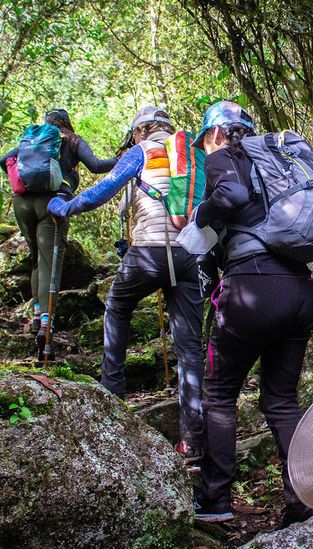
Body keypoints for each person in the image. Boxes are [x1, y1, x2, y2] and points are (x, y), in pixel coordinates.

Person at [189, 101, 313, 528]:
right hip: (299, 290)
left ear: (214, 134)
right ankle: (305, 498)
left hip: (253, 286)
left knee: (219, 394)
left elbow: (231, 197)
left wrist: (201, 213)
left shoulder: (223, 157)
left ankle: (214, 500)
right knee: (282, 400)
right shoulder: (278, 165)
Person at [46, 106, 206, 464]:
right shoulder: (192, 154)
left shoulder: (142, 151)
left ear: (141, 131)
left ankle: (111, 397)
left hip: (149, 253)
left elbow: (104, 189)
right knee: (190, 346)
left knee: (117, 308)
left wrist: (66, 206)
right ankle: (193, 440)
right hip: (188, 255)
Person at [0, 109, 117, 349]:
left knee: (35, 259)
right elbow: (95, 165)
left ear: (47, 124)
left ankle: (36, 316)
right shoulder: (72, 140)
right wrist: (122, 159)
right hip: (53, 202)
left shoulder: (34, 140)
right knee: (49, 262)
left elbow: (5, 160)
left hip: (22, 202)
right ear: (67, 124)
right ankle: (46, 323)